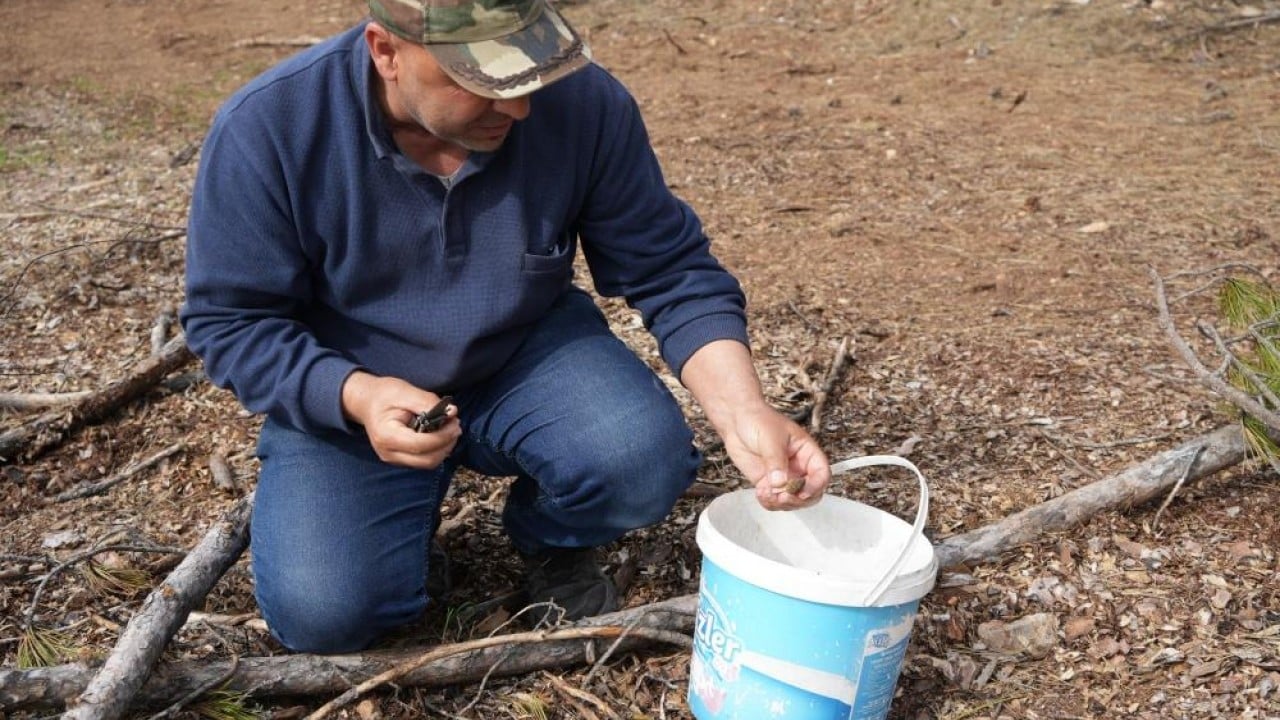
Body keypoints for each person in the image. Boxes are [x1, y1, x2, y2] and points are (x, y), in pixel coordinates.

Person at [180, 0, 831, 655]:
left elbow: (669, 268)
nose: (518, 109)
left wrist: (745, 411)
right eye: (482, 83)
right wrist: (353, 395)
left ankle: (551, 539)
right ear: (387, 51)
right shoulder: (271, 127)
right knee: (327, 614)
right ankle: (392, 542)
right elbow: (231, 323)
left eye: (528, 78)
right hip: (354, 386)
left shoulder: (582, 104)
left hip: (523, 350)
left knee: (641, 460)